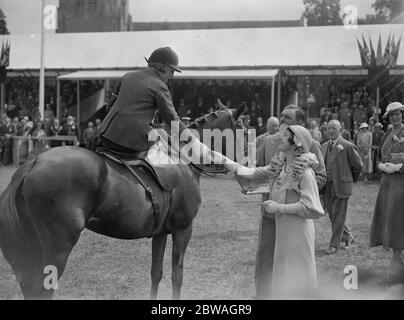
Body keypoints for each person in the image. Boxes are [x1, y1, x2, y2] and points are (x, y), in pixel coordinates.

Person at [213, 125, 324, 299]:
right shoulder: (280, 167)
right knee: (283, 278)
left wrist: (278, 208)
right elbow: (250, 172)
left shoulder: (305, 172)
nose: (280, 137)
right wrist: (223, 160)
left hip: (298, 233)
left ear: (296, 143)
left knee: (299, 276)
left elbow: (312, 208)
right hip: (283, 231)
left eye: (285, 135)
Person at [254, 105, 326, 299]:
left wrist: (298, 179)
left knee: (295, 263)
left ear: (298, 124)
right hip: (271, 212)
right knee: (269, 256)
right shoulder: (268, 141)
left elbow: (320, 177)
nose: (282, 120)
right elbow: (260, 171)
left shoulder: (312, 147)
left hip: (294, 214)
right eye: (281, 117)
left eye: (287, 118)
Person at [98, 47, 210, 159]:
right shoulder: (159, 86)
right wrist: (193, 142)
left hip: (105, 135)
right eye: (172, 71)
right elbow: (172, 120)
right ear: (163, 67)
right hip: (129, 143)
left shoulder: (127, 76)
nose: (172, 76)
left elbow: (109, 107)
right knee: (166, 154)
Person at [370, 102, 404, 270]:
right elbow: (378, 157)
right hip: (387, 183)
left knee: (399, 218)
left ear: (402, 114)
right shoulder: (387, 134)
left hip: (401, 183)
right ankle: (395, 255)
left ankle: (397, 256)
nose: (395, 117)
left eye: (397, 114)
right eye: (392, 115)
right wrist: (380, 166)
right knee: (390, 217)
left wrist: (400, 167)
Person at [321, 120, 363, 254]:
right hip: (327, 187)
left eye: (334, 128)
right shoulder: (323, 146)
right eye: (329, 128)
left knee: (338, 216)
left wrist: (350, 179)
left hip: (341, 186)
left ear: (341, 129)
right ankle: (348, 236)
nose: (331, 130)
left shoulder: (348, 146)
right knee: (333, 216)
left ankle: (334, 245)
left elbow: (358, 165)